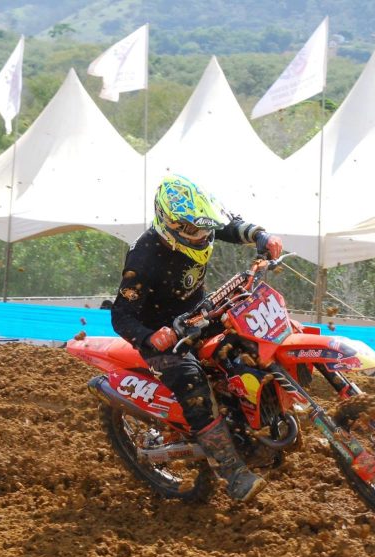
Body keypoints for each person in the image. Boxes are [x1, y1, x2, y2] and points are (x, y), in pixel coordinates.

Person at [111, 174, 283, 504]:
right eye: (193, 231)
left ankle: (256, 422)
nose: (202, 235)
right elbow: (122, 314)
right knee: (192, 384)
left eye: (204, 229)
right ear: (167, 223)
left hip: (201, 313)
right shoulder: (143, 256)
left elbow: (229, 225)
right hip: (163, 335)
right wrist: (151, 336)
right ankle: (232, 473)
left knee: (246, 342)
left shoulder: (198, 222)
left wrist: (261, 234)